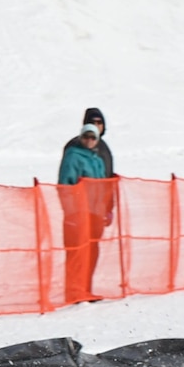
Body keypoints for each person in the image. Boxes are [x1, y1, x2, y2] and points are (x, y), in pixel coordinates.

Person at [58, 123, 109, 305]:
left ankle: (85, 289)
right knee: (77, 252)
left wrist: (105, 210)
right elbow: (65, 185)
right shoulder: (73, 156)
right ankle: (73, 292)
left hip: (95, 213)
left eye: (93, 137)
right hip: (79, 213)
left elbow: (102, 187)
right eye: (86, 137)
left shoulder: (97, 159)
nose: (89, 141)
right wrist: (72, 212)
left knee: (91, 252)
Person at [61, 106, 114, 179]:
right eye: (92, 122)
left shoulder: (103, 147)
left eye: (99, 122)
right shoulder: (73, 148)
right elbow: (67, 178)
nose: (89, 140)